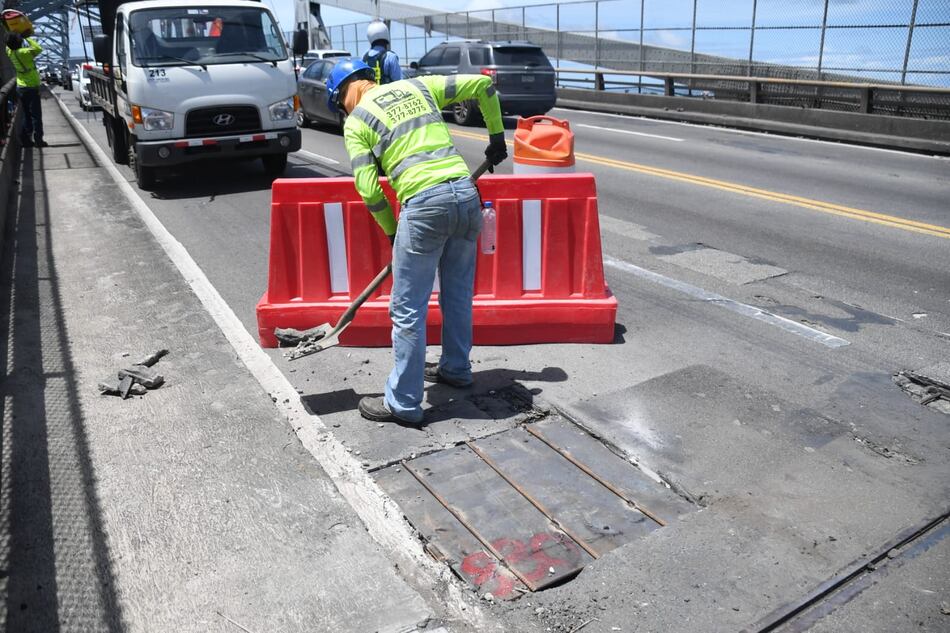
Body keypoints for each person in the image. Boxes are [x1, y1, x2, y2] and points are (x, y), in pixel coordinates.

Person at [325, 58, 507, 424]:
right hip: (465, 196)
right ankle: (456, 368)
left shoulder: (357, 122)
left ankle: (404, 403)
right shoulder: (419, 86)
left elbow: (369, 190)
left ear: (343, 94)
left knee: (407, 308)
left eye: (340, 104)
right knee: (458, 293)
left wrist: (393, 231)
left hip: (424, 205)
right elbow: (483, 86)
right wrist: (497, 136)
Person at [5, 31, 47, 148]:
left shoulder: (10, 53)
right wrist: (27, 37)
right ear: (19, 42)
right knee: (36, 116)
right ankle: (38, 140)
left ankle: (25, 140)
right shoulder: (24, 52)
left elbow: (7, 45)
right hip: (31, 87)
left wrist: (14, 34)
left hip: (20, 87)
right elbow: (38, 48)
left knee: (27, 115)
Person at [362, 20, 401, 85]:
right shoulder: (391, 57)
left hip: (370, 91)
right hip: (387, 91)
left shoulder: (364, 57)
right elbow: (398, 81)